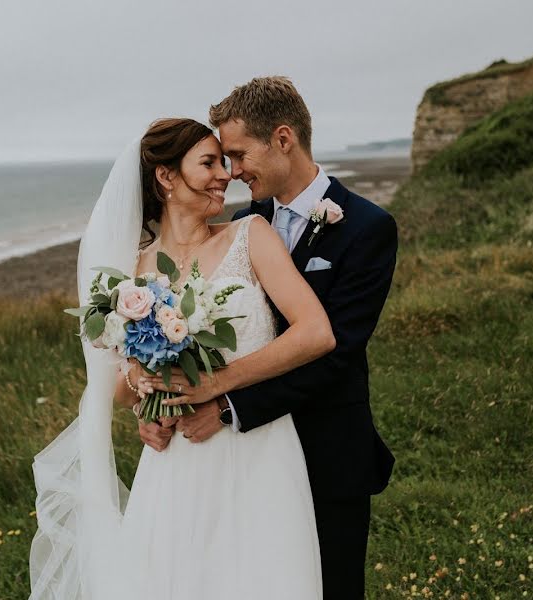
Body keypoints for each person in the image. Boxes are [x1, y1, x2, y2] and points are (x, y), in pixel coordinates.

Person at [28, 117, 335, 600]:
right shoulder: (130, 273)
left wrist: (217, 384)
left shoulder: (250, 235)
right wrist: (146, 396)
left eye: (225, 162)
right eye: (209, 163)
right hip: (176, 464)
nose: (225, 174)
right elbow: (120, 389)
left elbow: (316, 333)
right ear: (167, 177)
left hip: (259, 451)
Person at [141, 76, 398, 600]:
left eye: (237, 155)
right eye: (222, 160)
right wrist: (158, 405)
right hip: (239, 460)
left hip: (326, 447)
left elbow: (336, 352)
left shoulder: (368, 227)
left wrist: (226, 402)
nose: (232, 174)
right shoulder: (243, 224)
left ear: (283, 139)